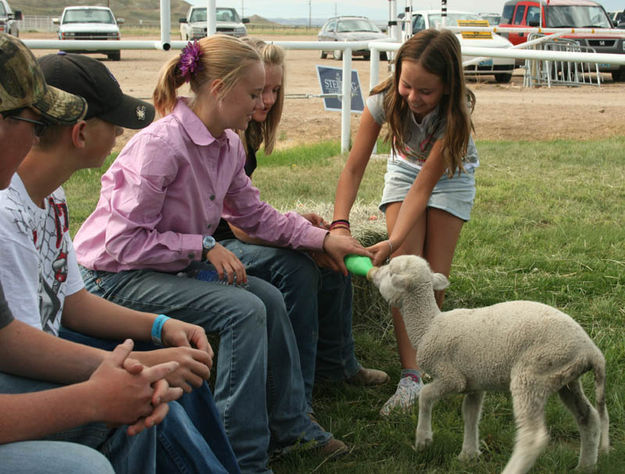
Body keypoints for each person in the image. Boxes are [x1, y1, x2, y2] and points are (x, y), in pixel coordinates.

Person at [72, 35, 370, 472]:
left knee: (265, 298)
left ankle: (289, 427)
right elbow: (121, 244)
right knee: (244, 311)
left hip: (164, 267)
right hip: (113, 277)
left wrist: (323, 239)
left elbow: (256, 215)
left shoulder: (228, 143)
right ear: (219, 89)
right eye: (253, 93)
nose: (260, 103)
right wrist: (202, 245)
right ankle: (244, 458)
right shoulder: (161, 146)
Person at [0, 41, 239, 474]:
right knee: (151, 390)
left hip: (44, 350)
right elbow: (17, 348)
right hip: (26, 367)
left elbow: (71, 302)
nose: (121, 135)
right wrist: (136, 366)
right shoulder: (6, 214)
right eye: (115, 125)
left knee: (170, 368)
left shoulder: (50, 195)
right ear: (79, 133)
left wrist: (161, 327)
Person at [212, 38, 389, 414]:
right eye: (259, 91)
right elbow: (240, 227)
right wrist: (305, 240)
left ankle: (337, 365)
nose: (268, 100)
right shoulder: (230, 132)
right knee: (299, 267)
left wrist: (307, 232)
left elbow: (247, 208)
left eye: (275, 90)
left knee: (331, 254)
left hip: (234, 233)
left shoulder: (249, 129)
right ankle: (296, 398)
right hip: (217, 245)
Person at [331, 29, 479, 416]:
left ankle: (435, 361)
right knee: (406, 275)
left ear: (447, 87)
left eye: (426, 91)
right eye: (407, 85)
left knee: (432, 277)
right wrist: (340, 224)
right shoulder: (384, 100)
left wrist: (391, 241)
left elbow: (425, 188)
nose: (413, 97)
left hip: (450, 178)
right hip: (402, 170)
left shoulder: (455, 114)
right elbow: (354, 167)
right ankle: (411, 377)